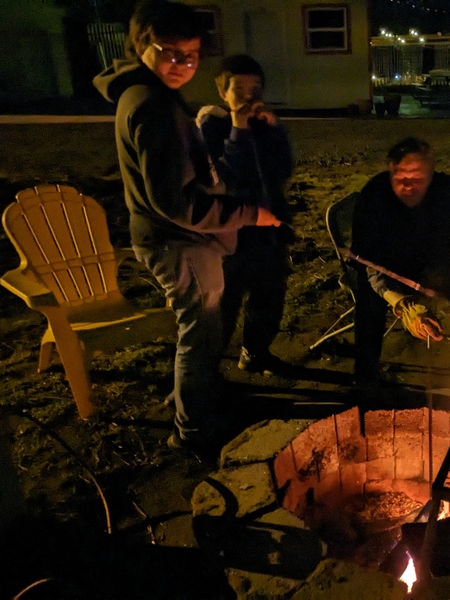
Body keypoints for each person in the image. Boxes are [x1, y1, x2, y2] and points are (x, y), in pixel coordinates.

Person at [93, 0, 280, 453]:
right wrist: (249, 215)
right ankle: (193, 430)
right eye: (172, 53)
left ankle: (197, 397)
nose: (183, 65)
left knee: (201, 331)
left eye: (192, 55)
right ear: (143, 47)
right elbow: (177, 203)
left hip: (180, 239)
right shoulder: (152, 107)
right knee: (199, 335)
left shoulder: (150, 94)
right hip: (180, 242)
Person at [350, 137, 450, 386]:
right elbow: (369, 262)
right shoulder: (374, 197)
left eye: (421, 178)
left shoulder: (449, 193)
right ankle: (366, 374)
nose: (412, 187)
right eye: (405, 178)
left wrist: (438, 277)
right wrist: (405, 305)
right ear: (392, 168)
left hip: (436, 268)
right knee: (368, 298)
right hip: (389, 272)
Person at [196, 54, 295, 375]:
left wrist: (276, 131)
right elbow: (225, 179)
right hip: (229, 234)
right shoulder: (211, 126)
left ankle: (256, 352)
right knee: (223, 306)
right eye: (240, 88)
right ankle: (207, 371)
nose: (250, 95)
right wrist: (238, 129)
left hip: (268, 231)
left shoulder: (263, 124)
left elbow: (283, 170)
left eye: (256, 87)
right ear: (222, 91)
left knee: (268, 297)